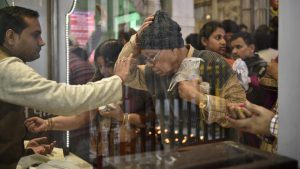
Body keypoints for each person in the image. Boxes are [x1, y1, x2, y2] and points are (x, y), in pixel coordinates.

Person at [0, 6, 133, 169]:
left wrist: (22, 148)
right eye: (35, 35)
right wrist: (117, 79)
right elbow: (67, 99)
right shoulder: (6, 68)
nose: (42, 42)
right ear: (11, 36)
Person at [117, 10, 246, 148]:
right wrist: (134, 41)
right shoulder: (154, 72)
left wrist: (199, 98)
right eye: (146, 58)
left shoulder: (212, 62)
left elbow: (242, 113)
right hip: (176, 159)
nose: (149, 63)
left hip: (217, 158)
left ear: (173, 47)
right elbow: (123, 74)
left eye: (152, 56)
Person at [25, 39, 156, 166]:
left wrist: (123, 117)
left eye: (109, 65)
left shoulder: (138, 84)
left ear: (121, 62)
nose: (104, 70)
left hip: (134, 153)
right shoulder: (100, 86)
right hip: (104, 153)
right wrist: (47, 123)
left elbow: (151, 120)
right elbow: (80, 117)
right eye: (100, 66)